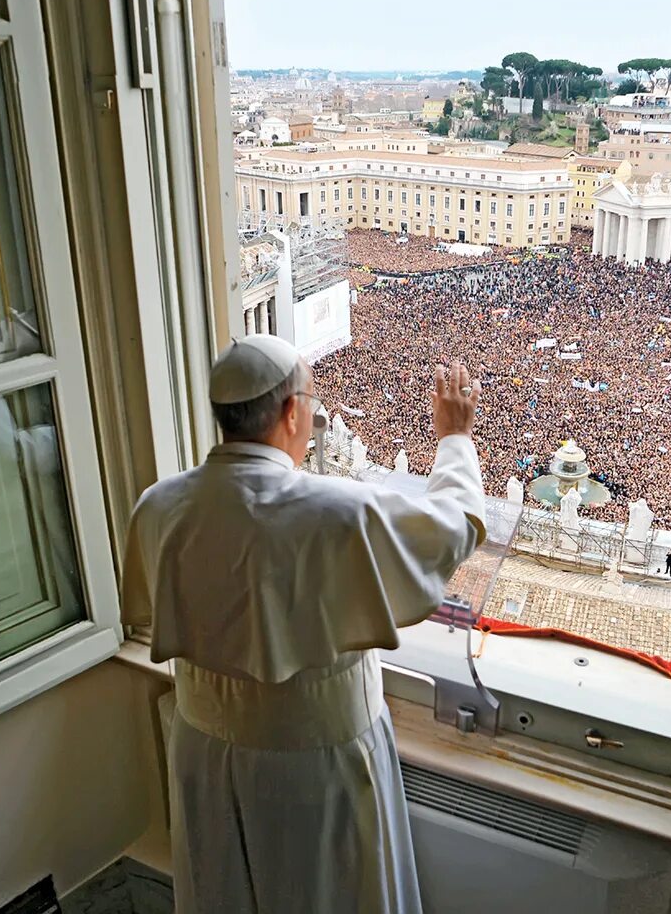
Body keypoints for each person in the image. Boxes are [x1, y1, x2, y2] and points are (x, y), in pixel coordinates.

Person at [122, 334, 486, 914]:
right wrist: (454, 441)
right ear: (293, 411)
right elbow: (454, 527)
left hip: (202, 753)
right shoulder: (341, 511)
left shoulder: (158, 506)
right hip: (317, 767)